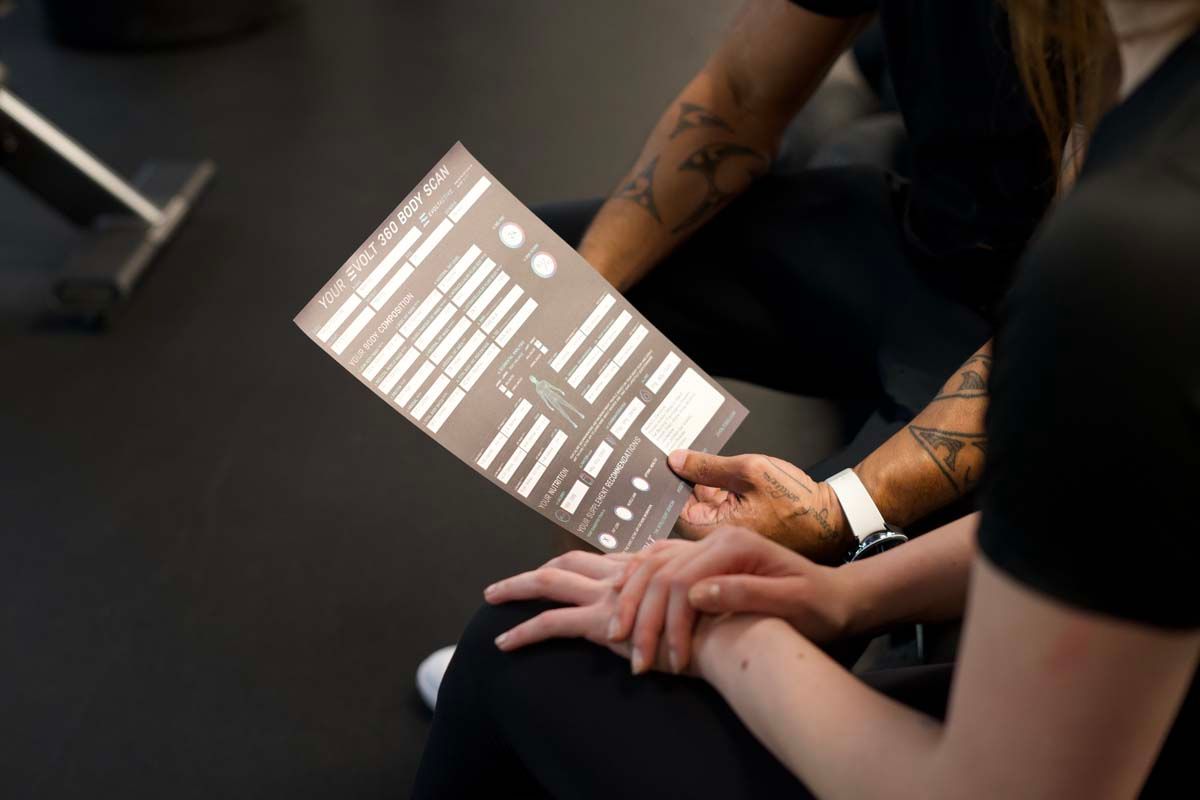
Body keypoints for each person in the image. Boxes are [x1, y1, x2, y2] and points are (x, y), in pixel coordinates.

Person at [413, 0, 1200, 795]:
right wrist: (577, 305)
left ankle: (602, 677)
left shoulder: (1125, 238)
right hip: (921, 247)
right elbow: (743, 88)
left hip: (1010, 336)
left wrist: (833, 524)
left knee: (519, 648)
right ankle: (590, 613)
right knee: (543, 269)